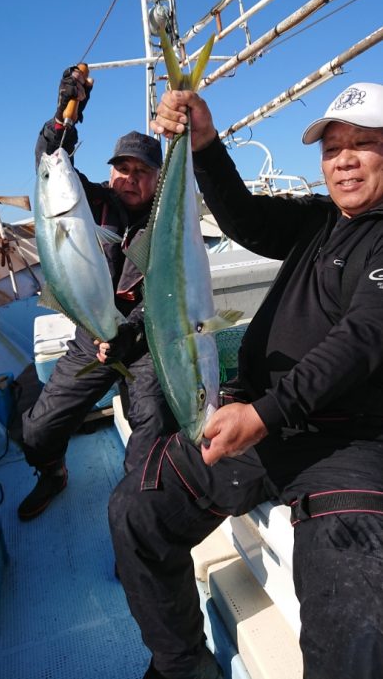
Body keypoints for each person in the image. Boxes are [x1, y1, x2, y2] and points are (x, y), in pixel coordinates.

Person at [108, 81, 383, 679]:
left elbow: (363, 338)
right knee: (137, 510)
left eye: (364, 144)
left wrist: (263, 415)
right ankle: (182, 664)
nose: (344, 160)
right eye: (332, 148)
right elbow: (248, 220)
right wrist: (204, 144)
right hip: (257, 421)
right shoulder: (319, 220)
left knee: (354, 626)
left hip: (344, 446)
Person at [18, 65, 178, 521]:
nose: (129, 178)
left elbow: (168, 296)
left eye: (141, 171)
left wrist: (129, 332)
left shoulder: (166, 223)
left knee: (152, 429)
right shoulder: (90, 201)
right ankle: (53, 473)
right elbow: (50, 161)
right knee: (37, 431)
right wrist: (66, 114)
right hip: (91, 334)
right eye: (122, 169)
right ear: (110, 173)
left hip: (146, 341)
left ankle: (137, 514)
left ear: (157, 178)